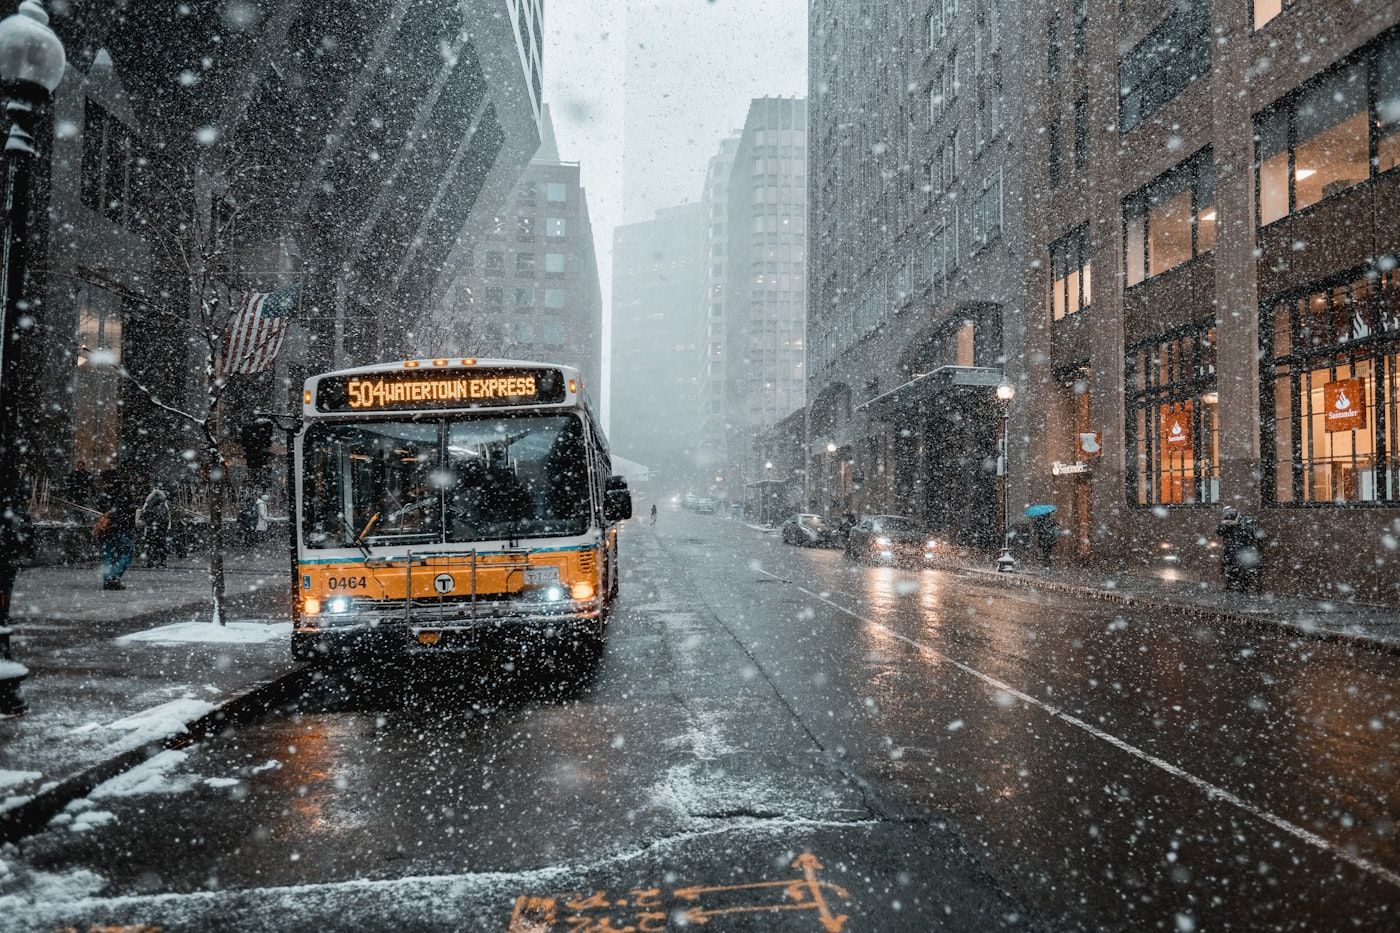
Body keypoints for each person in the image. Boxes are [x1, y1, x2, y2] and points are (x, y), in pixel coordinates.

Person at [95, 473, 138, 590]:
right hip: (123, 528)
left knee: (108, 556)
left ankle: (107, 580)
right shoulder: (126, 493)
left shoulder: (105, 494)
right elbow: (128, 511)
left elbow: (100, 507)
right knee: (127, 553)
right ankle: (114, 577)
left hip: (108, 528)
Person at [1217, 506, 1264, 593]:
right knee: (1228, 567)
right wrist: (1225, 524)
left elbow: (1249, 534)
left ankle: (1244, 588)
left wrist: (1236, 524)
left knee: (1242, 569)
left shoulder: (1245, 520)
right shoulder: (1227, 522)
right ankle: (1230, 585)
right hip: (1230, 549)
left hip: (1243, 550)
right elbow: (1219, 532)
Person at [141, 485, 171, 568]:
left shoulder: (148, 503)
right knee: (162, 544)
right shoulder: (163, 504)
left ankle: (150, 561)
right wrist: (167, 527)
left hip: (151, 527)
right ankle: (162, 561)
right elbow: (168, 517)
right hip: (161, 528)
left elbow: (144, 515)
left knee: (150, 544)